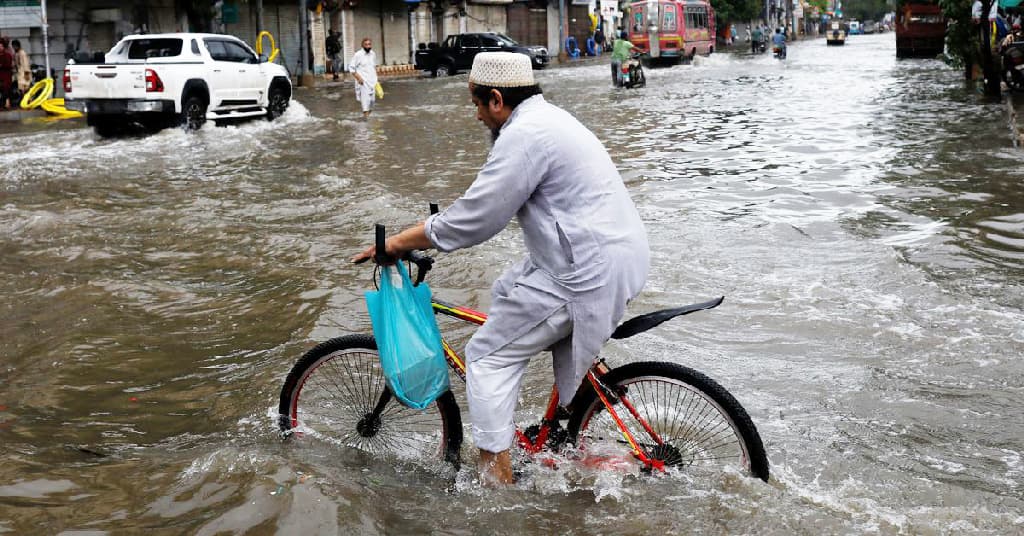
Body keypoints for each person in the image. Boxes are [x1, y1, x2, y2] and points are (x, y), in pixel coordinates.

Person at [352, 52, 650, 486]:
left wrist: (398, 242)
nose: (476, 116)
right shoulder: (549, 120)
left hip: (584, 270)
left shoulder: (524, 136)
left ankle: (496, 484)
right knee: (509, 287)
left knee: (486, 356)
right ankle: (571, 432)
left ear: (496, 99)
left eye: (476, 104)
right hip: (609, 254)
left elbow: (477, 218)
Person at [348, 37, 378, 118]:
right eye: (366, 44)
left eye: (369, 44)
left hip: (372, 82)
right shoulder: (358, 55)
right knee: (365, 104)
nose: (368, 46)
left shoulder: (373, 54)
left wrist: (376, 80)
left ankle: (367, 119)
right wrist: (359, 78)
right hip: (363, 82)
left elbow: (374, 67)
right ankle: (366, 125)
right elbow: (351, 68)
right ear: (362, 45)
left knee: (372, 102)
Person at [0, 39, 13, 110]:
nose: (0, 47)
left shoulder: (7, 55)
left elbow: (9, 64)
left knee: (6, 90)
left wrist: (2, 65)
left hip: (6, 76)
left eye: (1, 46)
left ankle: (4, 104)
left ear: (4, 47)